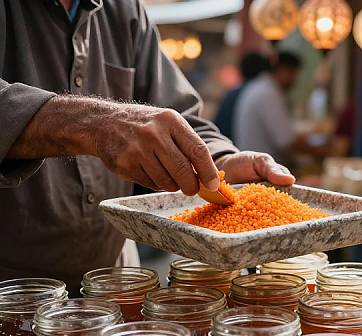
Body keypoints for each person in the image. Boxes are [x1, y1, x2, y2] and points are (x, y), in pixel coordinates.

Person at [0, 0, 294, 295]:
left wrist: (219, 160)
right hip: (12, 290)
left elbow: (182, 116)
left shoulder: (124, 9)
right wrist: (92, 123)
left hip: (115, 279)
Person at [234, 51, 322, 166]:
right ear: (283, 71)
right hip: (262, 171)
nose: (295, 80)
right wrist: (323, 152)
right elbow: (287, 142)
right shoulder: (268, 93)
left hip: (257, 164)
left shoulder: (260, 87)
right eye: (293, 73)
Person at [214, 52, 269, 140]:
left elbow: (217, 126)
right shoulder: (261, 95)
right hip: (235, 147)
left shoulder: (232, 94)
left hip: (224, 145)